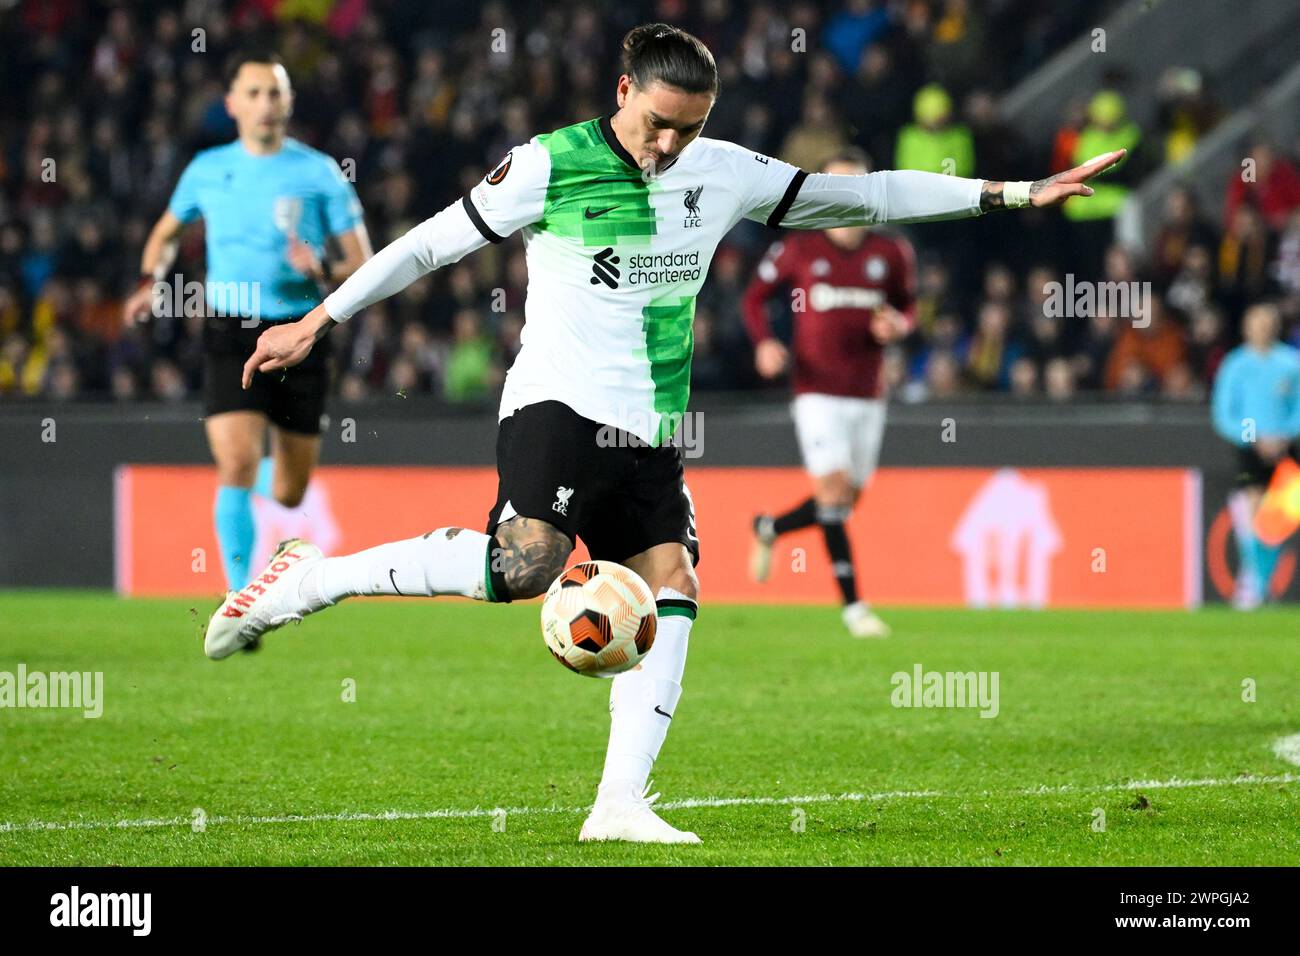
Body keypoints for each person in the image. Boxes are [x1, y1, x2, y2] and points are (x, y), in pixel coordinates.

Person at [202, 23, 1123, 844]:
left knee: (674, 583)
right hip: (556, 401)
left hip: (650, 426)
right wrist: (319, 319)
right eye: (657, 123)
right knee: (521, 565)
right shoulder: (549, 164)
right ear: (623, 93)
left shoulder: (722, 172)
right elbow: (429, 244)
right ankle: (308, 580)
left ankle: (618, 805)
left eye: (690, 125)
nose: (671, 143)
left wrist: (1015, 193)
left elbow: (871, 196)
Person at [121, 52, 372, 590]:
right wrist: (150, 282)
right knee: (236, 460)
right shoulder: (207, 170)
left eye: (275, 93)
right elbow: (165, 234)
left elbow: (364, 262)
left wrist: (323, 265)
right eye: (253, 93)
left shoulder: (319, 172)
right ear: (231, 104)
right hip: (229, 328)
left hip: (302, 332)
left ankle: (258, 490)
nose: (265, 104)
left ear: (288, 103)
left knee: (289, 491)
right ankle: (239, 597)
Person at [743, 148, 913, 638]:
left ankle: (770, 528)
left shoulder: (890, 253)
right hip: (815, 390)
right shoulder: (801, 248)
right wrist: (765, 343)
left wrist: (898, 323)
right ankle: (855, 608)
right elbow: (755, 297)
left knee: (846, 500)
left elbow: (908, 307)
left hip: (867, 392)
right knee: (834, 494)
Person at [1210, 302, 1300, 609]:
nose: (1262, 328)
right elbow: (1225, 413)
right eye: (1256, 322)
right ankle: (1258, 583)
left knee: (1280, 517)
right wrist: (1254, 437)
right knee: (1252, 509)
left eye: (1267, 322)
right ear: (1246, 327)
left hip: (1287, 449)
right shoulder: (1235, 365)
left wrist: (1284, 434)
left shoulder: (1290, 362)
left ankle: (1259, 582)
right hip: (1250, 449)